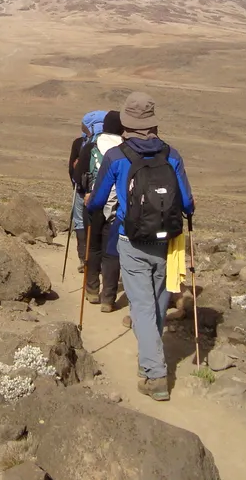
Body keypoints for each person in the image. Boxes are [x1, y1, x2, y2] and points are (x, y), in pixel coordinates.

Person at [86, 92, 194, 402]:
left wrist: (89, 203)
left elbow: (97, 198)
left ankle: (155, 373)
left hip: (130, 239)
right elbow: (187, 204)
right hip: (166, 241)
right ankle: (150, 360)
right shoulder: (172, 155)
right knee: (158, 301)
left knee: (143, 307)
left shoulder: (117, 157)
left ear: (126, 123)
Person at [75, 110, 123, 311]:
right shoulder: (126, 149)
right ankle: (108, 299)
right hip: (118, 208)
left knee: (92, 247)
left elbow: (78, 177)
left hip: (93, 204)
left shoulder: (91, 146)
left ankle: (92, 289)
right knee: (112, 252)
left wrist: (87, 192)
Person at [70, 110, 106, 273]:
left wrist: (76, 181)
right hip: (105, 194)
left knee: (80, 222)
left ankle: (84, 259)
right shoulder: (114, 144)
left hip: (82, 190)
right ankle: (99, 262)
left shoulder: (81, 144)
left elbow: (73, 170)